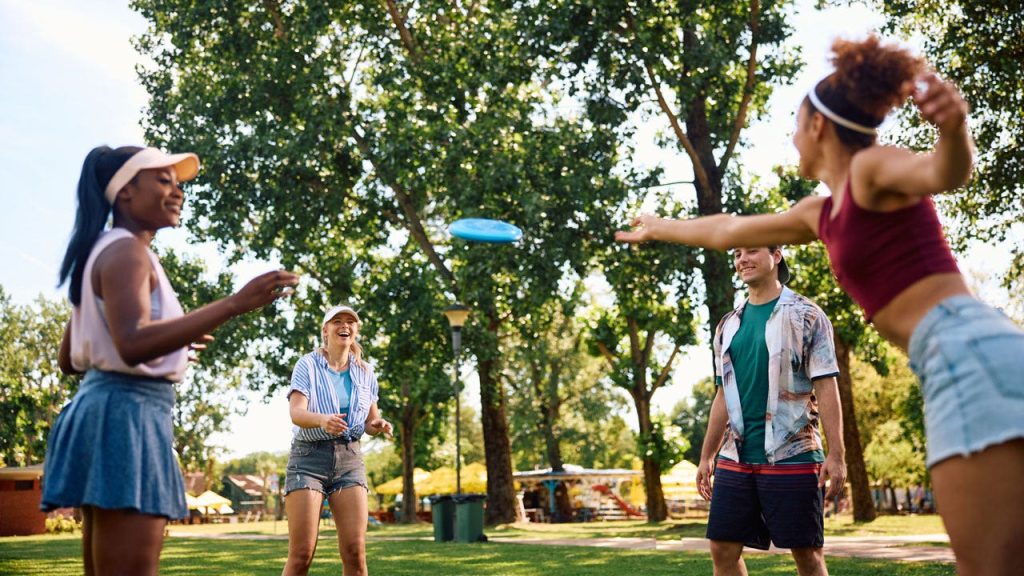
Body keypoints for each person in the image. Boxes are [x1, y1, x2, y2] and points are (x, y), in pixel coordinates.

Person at [616, 35, 1024, 576]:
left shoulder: (871, 167)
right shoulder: (821, 213)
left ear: (818, 127)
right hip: (951, 354)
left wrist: (953, 130)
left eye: (795, 124)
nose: (791, 137)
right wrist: (659, 227)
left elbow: (943, 174)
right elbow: (728, 230)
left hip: (963, 349)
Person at [42, 145, 299, 575]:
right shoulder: (127, 252)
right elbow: (131, 343)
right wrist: (234, 303)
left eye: (178, 183)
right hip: (126, 417)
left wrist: (170, 348)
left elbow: (72, 358)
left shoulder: (103, 250)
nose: (178, 192)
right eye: (163, 180)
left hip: (105, 411)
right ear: (125, 191)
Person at [696, 246, 844, 576]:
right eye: (737, 254)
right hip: (735, 455)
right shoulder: (728, 325)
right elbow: (723, 394)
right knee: (722, 548)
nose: (742, 260)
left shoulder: (807, 315)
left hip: (793, 453)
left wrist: (837, 455)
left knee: (807, 554)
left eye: (752, 251)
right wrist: (707, 456)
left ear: (777, 256)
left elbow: (826, 385)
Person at [283, 304, 392, 576]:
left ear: (356, 330)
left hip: (349, 460)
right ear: (325, 330)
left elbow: (370, 422)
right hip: (309, 459)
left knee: (355, 552)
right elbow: (296, 413)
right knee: (302, 554)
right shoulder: (307, 365)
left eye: (350, 322)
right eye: (337, 321)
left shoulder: (365, 372)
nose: (344, 325)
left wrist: (377, 425)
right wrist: (322, 420)